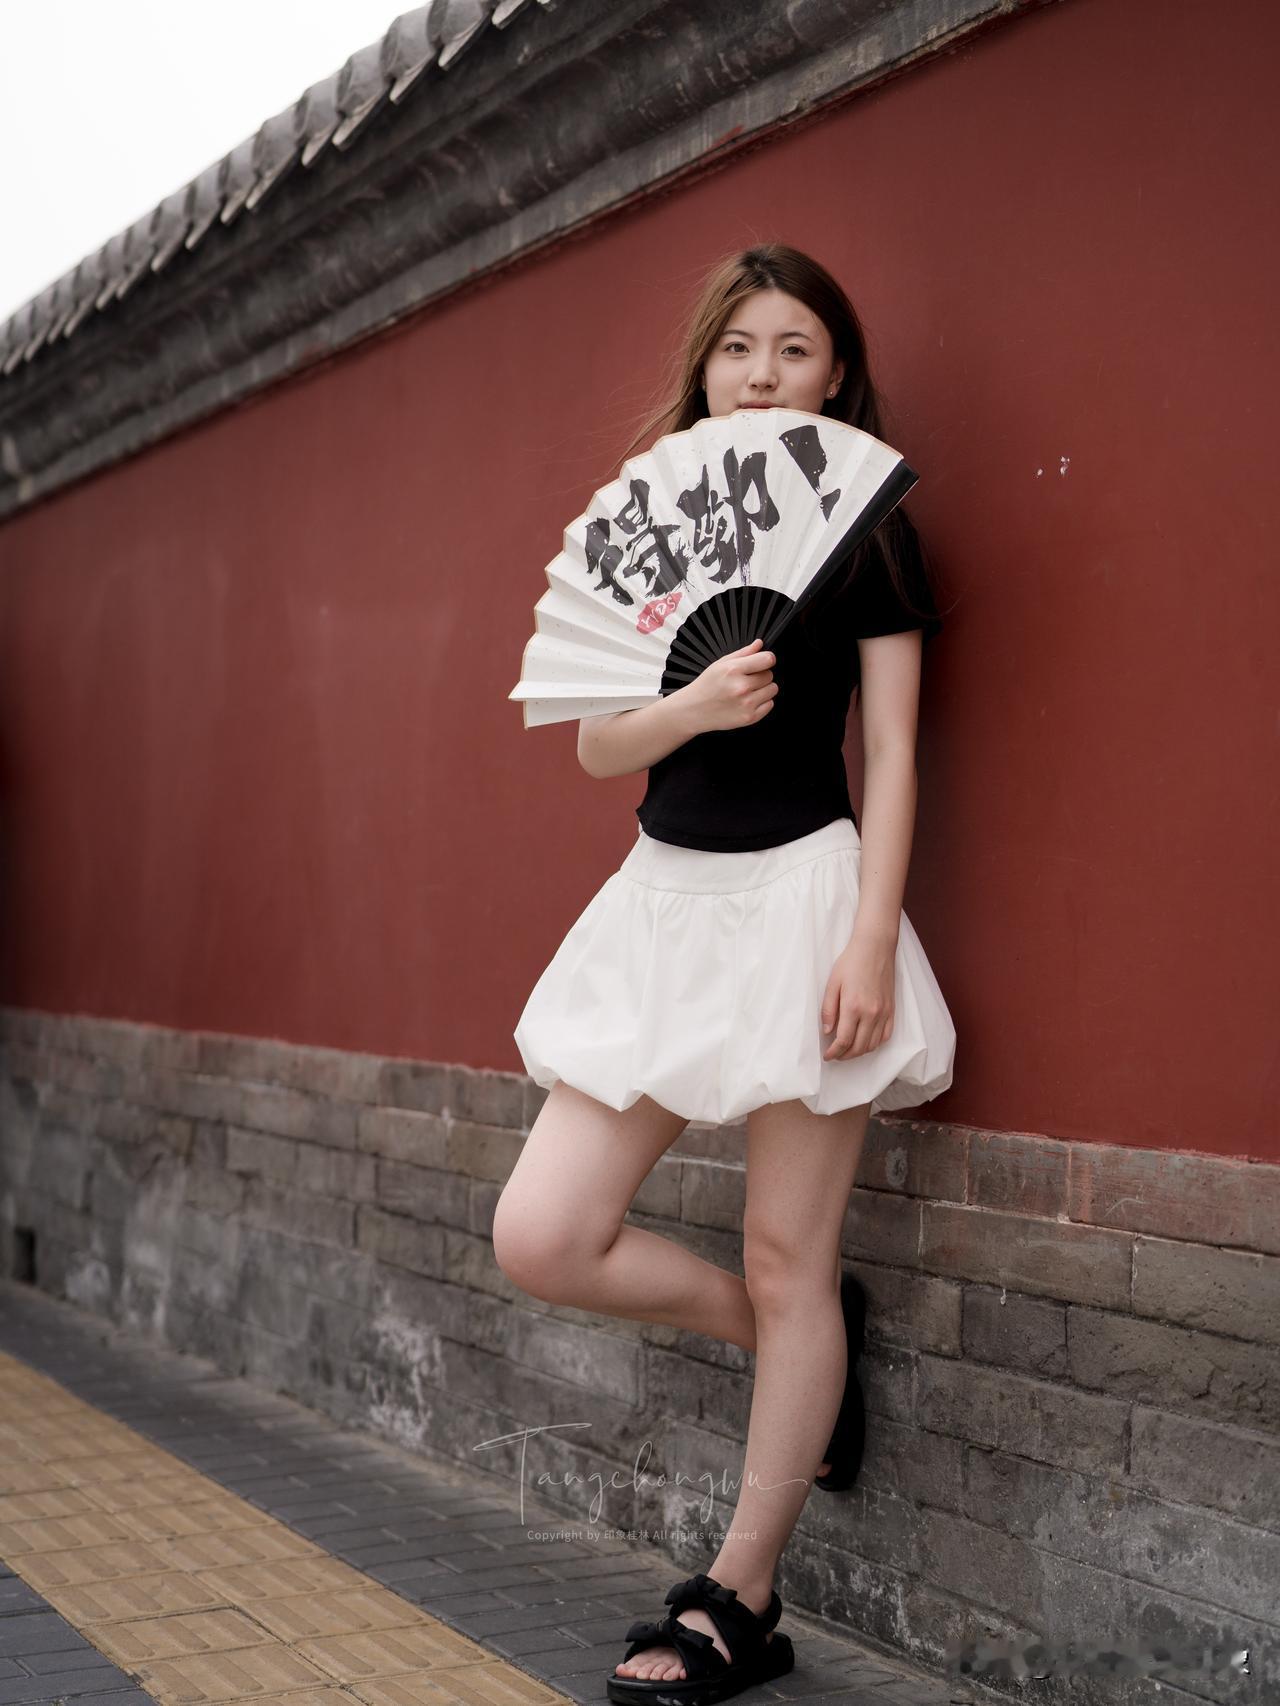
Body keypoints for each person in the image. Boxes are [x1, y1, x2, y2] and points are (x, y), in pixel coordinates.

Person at [493, 242, 957, 1705]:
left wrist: (872, 933)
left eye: (795, 347)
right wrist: (691, 702)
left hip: (809, 895)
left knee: (785, 1250)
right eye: (738, 346)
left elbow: (895, 750)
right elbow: (597, 746)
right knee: (543, 1232)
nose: (763, 373)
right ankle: (799, 1348)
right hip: (661, 902)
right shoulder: (659, 523)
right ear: (703, 365)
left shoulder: (868, 527)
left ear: (838, 372)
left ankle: (739, 1599)